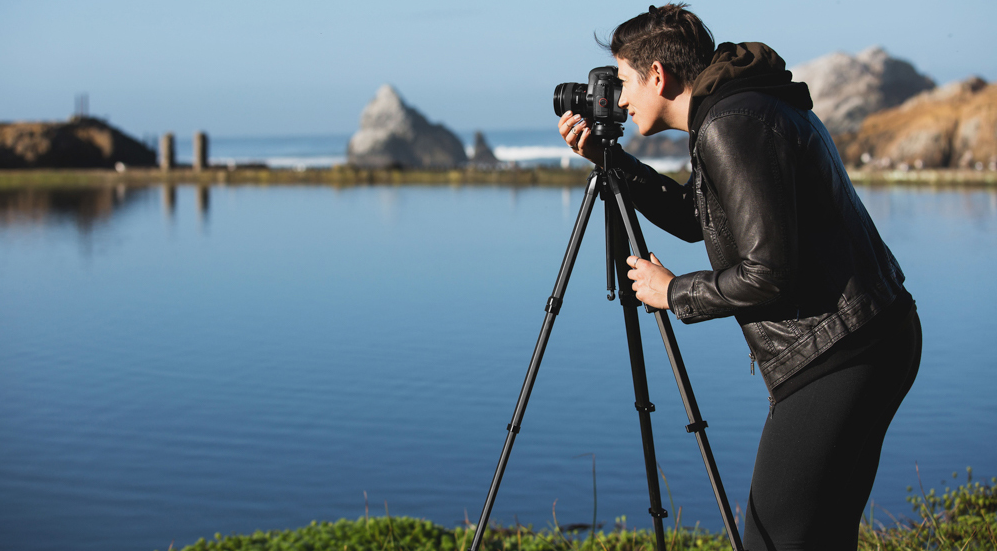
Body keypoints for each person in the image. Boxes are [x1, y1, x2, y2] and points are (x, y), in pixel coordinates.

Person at [557, 4, 922, 550]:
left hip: (837, 354)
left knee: (770, 539)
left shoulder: (730, 124)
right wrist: (613, 163)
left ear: (658, 74)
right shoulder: (738, 110)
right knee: (819, 536)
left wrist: (673, 291)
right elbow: (695, 217)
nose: (621, 98)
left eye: (626, 81)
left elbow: (768, 272)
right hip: (871, 336)